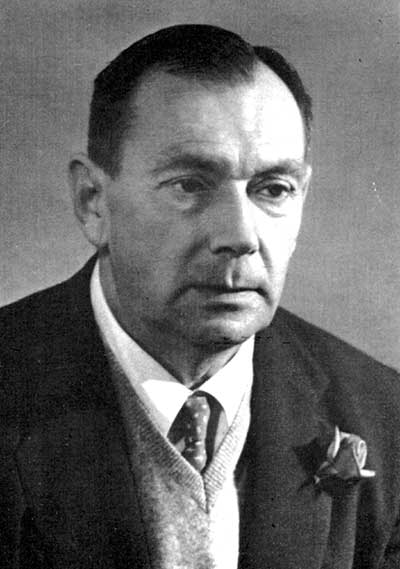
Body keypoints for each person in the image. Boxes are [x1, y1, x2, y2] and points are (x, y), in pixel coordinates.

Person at [0, 24, 399, 569]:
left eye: (273, 189)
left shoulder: (384, 418)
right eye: (190, 184)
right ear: (94, 201)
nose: (239, 235)